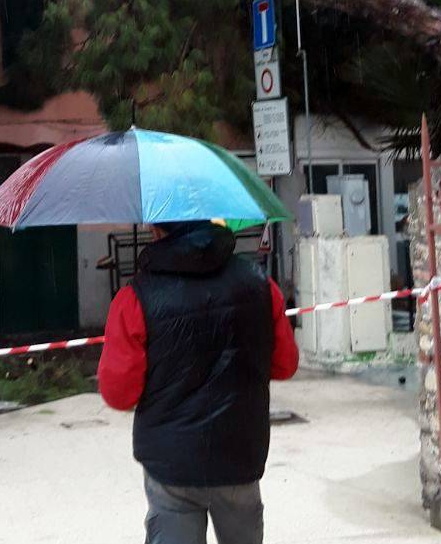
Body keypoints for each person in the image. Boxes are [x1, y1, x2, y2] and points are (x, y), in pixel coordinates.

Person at [98, 219, 299, 544]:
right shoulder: (262, 286)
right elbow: (285, 364)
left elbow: (119, 392)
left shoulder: (134, 299)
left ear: (156, 229)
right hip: (240, 454)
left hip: (171, 465)